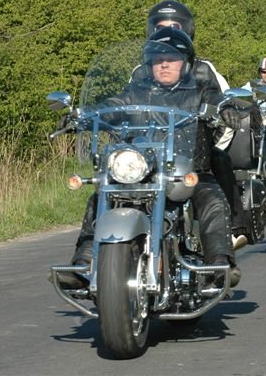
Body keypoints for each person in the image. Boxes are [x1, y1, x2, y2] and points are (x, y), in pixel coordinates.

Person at [52, 27, 243, 290]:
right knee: (100, 196)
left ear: (186, 63)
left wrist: (226, 107)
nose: (164, 64)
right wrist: (81, 116)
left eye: (171, 58)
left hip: (187, 171)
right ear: (149, 64)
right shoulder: (136, 92)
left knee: (212, 199)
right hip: (143, 171)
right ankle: (83, 263)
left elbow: (217, 100)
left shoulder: (200, 91)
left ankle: (219, 265)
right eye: (157, 59)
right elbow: (111, 106)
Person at [146, 0, 247, 250]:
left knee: (218, 161)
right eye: (160, 27)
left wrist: (223, 115)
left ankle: (232, 230)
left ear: (187, 30)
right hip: (149, 155)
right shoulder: (142, 71)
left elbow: (218, 98)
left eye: (174, 27)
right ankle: (88, 257)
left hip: (193, 150)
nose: (167, 33)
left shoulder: (203, 69)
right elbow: (122, 103)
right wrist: (89, 114)